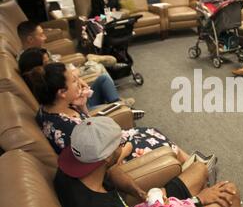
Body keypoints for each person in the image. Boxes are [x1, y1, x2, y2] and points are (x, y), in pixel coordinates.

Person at [54, 116, 243, 207]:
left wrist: (140, 193)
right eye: (119, 144)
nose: (123, 145)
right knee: (228, 192)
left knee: (200, 170)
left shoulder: (71, 170)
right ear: (107, 157)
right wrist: (197, 201)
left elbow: (111, 172)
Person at [27, 63, 188, 165]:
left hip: (112, 142)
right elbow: (100, 164)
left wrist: (83, 107)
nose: (80, 83)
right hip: (116, 156)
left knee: (154, 131)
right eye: (74, 81)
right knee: (167, 146)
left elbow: (88, 129)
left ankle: (194, 164)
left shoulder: (50, 109)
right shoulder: (66, 131)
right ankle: (196, 169)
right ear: (62, 92)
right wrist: (127, 147)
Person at [18, 48, 136, 112]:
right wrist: (79, 98)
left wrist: (78, 88)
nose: (50, 63)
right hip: (81, 108)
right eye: (46, 62)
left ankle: (118, 103)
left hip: (80, 102)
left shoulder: (48, 81)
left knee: (103, 79)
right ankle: (122, 107)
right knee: (93, 71)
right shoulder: (44, 89)